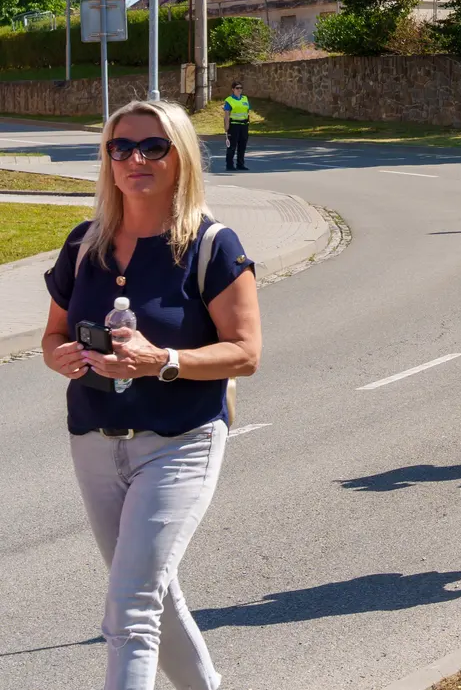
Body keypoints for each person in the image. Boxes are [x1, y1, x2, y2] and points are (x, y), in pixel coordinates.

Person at [43, 99, 260, 690]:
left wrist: (161, 361)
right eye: (121, 147)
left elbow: (245, 352)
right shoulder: (83, 244)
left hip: (180, 442)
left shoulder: (212, 245)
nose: (135, 158)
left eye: (153, 146)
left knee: (130, 609)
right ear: (108, 160)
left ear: (180, 159)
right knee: (151, 598)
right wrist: (59, 354)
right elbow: (52, 334)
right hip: (92, 440)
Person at [221, 81, 251, 171]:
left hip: (244, 125)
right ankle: (229, 165)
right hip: (234, 125)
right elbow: (226, 115)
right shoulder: (229, 100)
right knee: (232, 146)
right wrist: (226, 127)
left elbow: (247, 111)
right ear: (233, 89)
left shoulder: (245, 99)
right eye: (237, 88)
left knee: (242, 146)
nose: (239, 90)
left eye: (240, 88)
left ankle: (240, 164)